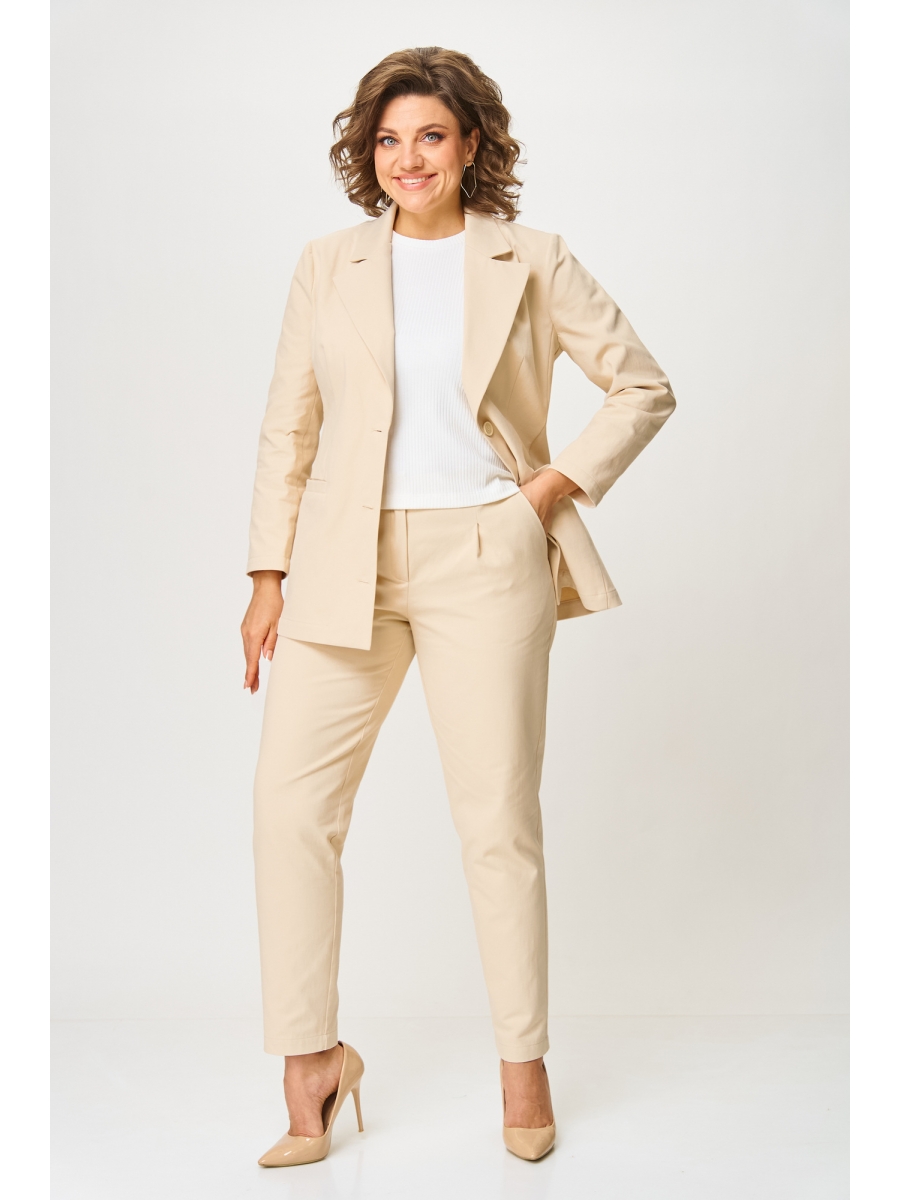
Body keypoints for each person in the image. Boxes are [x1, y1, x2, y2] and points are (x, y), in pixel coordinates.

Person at [241, 45, 675, 1168]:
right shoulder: (328, 264)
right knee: (289, 809)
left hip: (486, 555)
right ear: (367, 153)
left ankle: (523, 1067)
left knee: (496, 822)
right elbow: (290, 426)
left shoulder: (532, 257)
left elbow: (642, 384)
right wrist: (266, 575)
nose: (409, 158)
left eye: (430, 135)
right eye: (388, 140)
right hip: (343, 562)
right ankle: (310, 1062)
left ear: (471, 144)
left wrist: (546, 491)